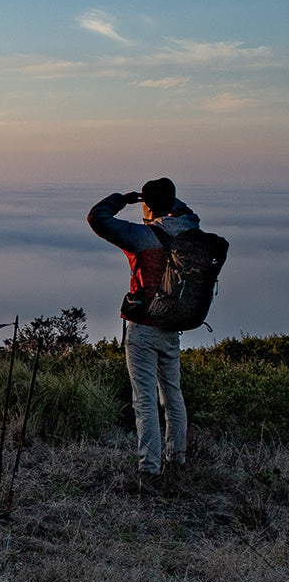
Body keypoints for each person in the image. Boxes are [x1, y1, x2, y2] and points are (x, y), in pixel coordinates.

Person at [87, 178, 200, 487]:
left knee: (145, 399)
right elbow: (187, 211)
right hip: (173, 325)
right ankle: (177, 459)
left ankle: (149, 468)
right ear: (173, 202)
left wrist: (122, 199)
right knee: (173, 394)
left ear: (147, 205)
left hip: (144, 327)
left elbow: (97, 218)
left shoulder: (141, 235)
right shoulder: (189, 227)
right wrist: (166, 202)